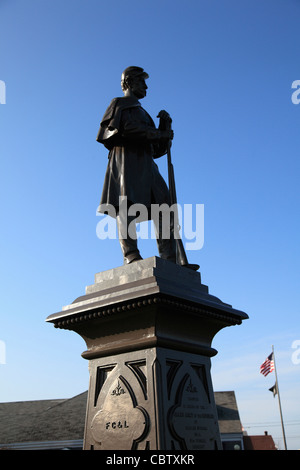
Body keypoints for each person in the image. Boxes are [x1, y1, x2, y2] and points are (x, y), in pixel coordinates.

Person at [96, 66, 178, 265]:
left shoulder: (143, 112)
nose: (146, 87)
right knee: (128, 206)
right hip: (127, 163)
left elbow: (156, 150)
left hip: (147, 166)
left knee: (164, 206)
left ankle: (169, 258)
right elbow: (125, 129)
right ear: (130, 82)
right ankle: (131, 254)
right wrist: (158, 134)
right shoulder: (119, 104)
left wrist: (164, 129)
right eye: (142, 82)